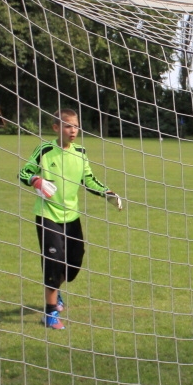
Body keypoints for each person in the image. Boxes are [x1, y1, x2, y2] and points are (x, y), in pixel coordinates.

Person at [19, 109, 124, 330]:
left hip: (72, 217)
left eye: (75, 126)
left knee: (75, 262)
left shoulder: (80, 152)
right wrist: (36, 180)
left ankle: (56, 290)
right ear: (57, 128)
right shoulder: (45, 150)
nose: (73, 130)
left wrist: (108, 194)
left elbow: (89, 179)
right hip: (48, 215)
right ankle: (50, 314)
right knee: (54, 262)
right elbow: (24, 172)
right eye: (68, 126)